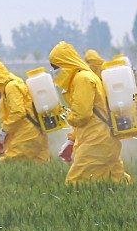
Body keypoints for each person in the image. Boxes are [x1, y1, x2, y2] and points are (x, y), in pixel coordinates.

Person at [49, 41, 132, 185]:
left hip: (97, 139)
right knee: (115, 179)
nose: (55, 71)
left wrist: (67, 115)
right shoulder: (81, 78)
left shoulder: (83, 79)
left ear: (66, 63)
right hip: (100, 137)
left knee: (76, 183)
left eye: (56, 67)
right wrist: (71, 140)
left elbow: (81, 115)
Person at [0, 54, 49, 163]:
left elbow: (18, 113)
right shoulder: (9, 85)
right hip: (33, 133)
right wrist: (1, 138)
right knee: (40, 168)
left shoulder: (11, 86)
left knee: (8, 164)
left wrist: (3, 131)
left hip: (28, 135)